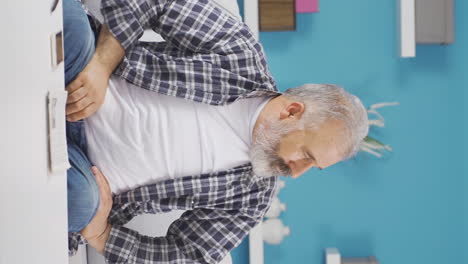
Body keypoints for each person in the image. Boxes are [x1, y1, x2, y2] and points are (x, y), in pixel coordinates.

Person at [64, 0, 369, 263]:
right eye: (306, 155)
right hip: (82, 74)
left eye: (313, 167)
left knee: (80, 203)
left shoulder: (252, 198)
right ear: (292, 112)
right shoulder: (239, 52)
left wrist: (102, 234)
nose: (298, 172)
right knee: (71, 28)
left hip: (85, 174)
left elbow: (190, 255)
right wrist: (101, 66)